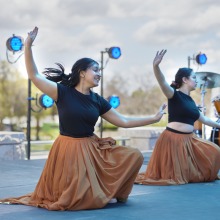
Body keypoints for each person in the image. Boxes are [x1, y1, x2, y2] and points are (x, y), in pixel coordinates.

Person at [0, 27, 166, 211]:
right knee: (79, 199)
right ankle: (98, 194)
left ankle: (109, 193)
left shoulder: (97, 100)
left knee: (134, 155)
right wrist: (29, 46)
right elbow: (34, 76)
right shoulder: (62, 92)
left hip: (91, 148)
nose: (99, 74)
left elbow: (123, 121)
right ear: (81, 72)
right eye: (95, 70)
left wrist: (154, 118)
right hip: (68, 149)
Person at [135, 49, 220, 186]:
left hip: (189, 140)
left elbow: (205, 119)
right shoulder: (174, 95)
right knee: (175, 178)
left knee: (215, 150)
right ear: (185, 80)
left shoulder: (191, 101)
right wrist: (156, 66)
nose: (196, 81)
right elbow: (162, 82)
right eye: (194, 78)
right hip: (172, 140)